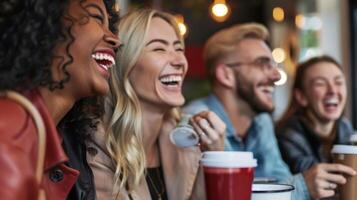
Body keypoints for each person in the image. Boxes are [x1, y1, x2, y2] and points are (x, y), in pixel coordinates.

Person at [184, 23, 356, 199]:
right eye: (263, 64)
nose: (276, 75)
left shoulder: (261, 121)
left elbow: (279, 179)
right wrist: (303, 186)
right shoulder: (196, 123)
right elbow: (229, 194)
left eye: (273, 65)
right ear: (226, 75)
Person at [85, 9, 226, 200]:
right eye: (159, 49)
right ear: (126, 64)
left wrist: (212, 159)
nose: (179, 61)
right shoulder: (98, 146)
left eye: (179, 49)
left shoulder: (184, 142)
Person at [0, 0, 120, 199]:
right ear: (46, 25)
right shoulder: (9, 127)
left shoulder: (65, 144)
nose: (116, 40)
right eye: (97, 17)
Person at [276, 56, 354, 174]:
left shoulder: (344, 127)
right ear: (301, 96)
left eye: (338, 82)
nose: (332, 90)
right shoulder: (287, 134)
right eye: (320, 83)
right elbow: (315, 178)